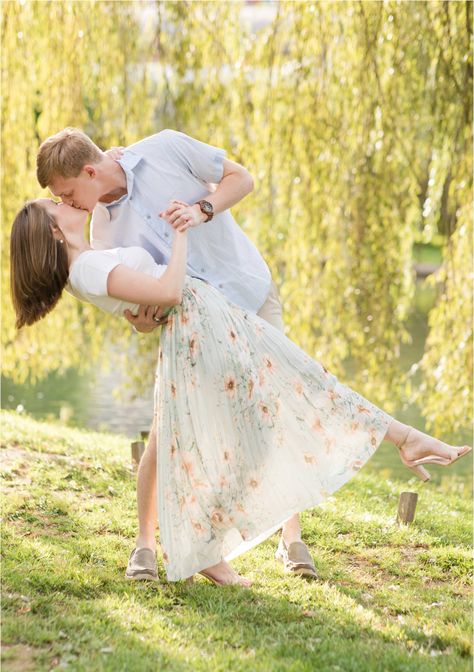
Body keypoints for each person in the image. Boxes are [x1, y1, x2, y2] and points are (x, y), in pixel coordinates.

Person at [9, 198, 472, 586]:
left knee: (298, 386)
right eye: (55, 202)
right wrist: (181, 233)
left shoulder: (90, 259)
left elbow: (148, 298)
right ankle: (401, 439)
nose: (64, 201)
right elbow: (169, 291)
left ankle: (401, 439)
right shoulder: (86, 268)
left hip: (203, 321)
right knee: (302, 385)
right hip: (198, 324)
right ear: (52, 231)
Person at [35, 126, 321, 582]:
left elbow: (241, 179)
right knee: (165, 428)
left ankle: (290, 537)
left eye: (68, 193)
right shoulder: (102, 232)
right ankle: (145, 546)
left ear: (90, 171)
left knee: (272, 412)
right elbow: (141, 304)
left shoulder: (165, 148)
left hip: (249, 289)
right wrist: (143, 319)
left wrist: (200, 209)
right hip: (195, 325)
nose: (68, 204)